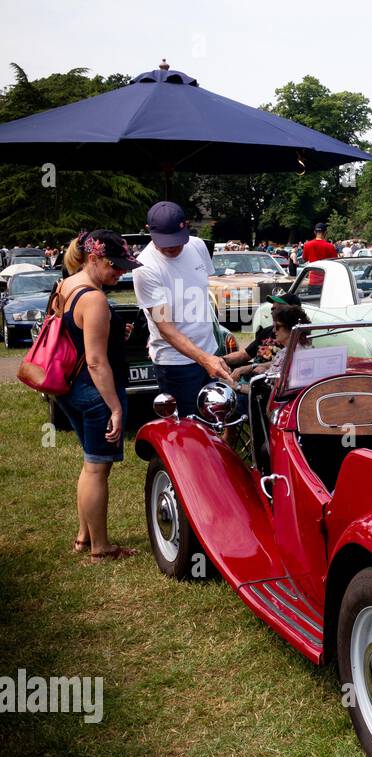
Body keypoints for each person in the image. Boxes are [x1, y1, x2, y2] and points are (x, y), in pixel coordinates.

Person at [51, 231, 142, 562]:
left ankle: (83, 537)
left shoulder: (65, 286)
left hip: (69, 388)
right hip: (95, 391)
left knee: (90, 466)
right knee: (97, 469)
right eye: (114, 266)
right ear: (93, 258)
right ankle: (101, 548)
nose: (120, 272)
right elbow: (95, 360)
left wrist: (116, 329)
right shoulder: (94, 299)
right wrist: (115, 408)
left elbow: (73, 334)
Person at [132, 202, 232, 417]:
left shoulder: (197, 246)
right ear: (149, 230)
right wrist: (204, 359)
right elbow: (166, 328)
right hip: (176, 363)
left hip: (210, 351)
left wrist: (210, 354)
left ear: (185, 227)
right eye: (164, 243)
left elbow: (201, 292)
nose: (171, 248)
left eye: (176, 241)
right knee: (188, 429)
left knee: (217, 418)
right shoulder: (145, 268)